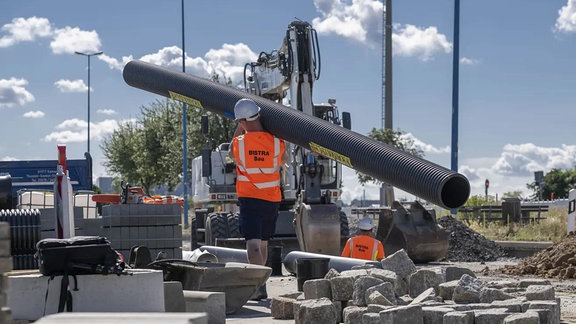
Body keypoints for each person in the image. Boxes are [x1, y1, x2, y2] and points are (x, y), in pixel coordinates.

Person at [230, 98, 286, 267]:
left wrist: (240, 127)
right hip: (272, 200)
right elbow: (282, 161)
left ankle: (257, 284)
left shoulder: (240, 144)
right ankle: (262, 280)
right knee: (263, 242)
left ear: (242, 121)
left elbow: (231, 155)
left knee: (253, 243)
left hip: (250, 199)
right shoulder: (277, 143)